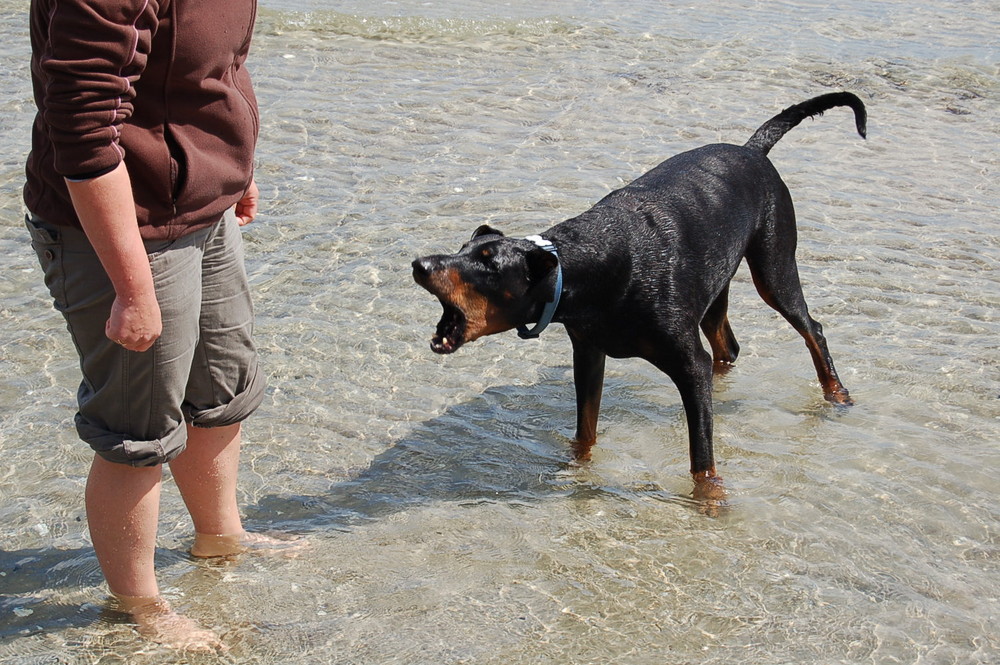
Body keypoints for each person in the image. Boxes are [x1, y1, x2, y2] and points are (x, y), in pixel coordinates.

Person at [24, 0, 283, 650]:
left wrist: (232, 167)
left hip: (200, 203)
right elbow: (81, 128)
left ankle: (221, 537)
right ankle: (139, 606)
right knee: (135, 429)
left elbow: (220, 62)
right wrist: (133, 285)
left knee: (221, 392)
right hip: (123, 226)